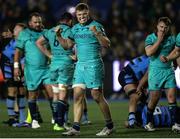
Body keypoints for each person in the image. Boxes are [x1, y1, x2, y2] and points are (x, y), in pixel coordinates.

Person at [55, 3, 114, 136]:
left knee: (96, 96)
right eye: (79, 15)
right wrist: (59, 36)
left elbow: (107, 44)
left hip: (94, 65)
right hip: (80, 66)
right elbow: (67, 45)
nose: (82, 17)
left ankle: (109, 126)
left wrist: (97, 33)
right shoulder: (74, 29)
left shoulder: (96, 26)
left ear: (88, 13)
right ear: (76, 15)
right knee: (77, 96)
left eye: (84, 14)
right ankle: (76, 128)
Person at [14, 12, 53, 129]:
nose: (38, 24)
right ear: (30, 23)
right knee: (32, 95)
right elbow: (18, 52)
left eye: (39, 22)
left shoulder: (46, 33)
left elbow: (53, 48)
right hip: (31, 70)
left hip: (47, 69)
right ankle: (34, 120)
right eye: (35, 22)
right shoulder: (24, 34)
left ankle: (56, 117)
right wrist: (16, 67)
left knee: (53, 94)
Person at [36, 12, 74, 131]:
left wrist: (49, 55)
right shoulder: (69, 30)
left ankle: (56, 119)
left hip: (53, 65)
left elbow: (38, 42)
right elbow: (68, 45)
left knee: (56, 94)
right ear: (70, 21)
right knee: (63, 94)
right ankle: (59, 123)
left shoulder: (51, 30)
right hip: (65, 64)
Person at [144, 16, 180, 132]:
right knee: (154, 99)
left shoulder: (172, 39)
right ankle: (149, 122)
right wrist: (159, 40)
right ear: (157, 26)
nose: (163, 29)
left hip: (169, 71)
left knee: (172, 97)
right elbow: (149, 52)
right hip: (155, 72)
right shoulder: (150, 38)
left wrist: (177, 64)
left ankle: (176, 124)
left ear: (168, 28)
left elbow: (177, 52)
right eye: (161, 27)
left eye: (165, 27)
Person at [0, 23, 27, 126]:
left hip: (18, 65)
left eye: (16, 30)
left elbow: (24, 55)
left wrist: (23, 68)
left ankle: (22, 118)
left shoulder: (23, 41)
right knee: (12, 90)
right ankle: (12, 118)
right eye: (14, 29)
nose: (13, 31)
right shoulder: (9, 39)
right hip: (7, 65)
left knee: (21, 90)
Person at [118, 55, 149, 128]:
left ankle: (134, 119)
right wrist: (140, 86)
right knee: (135, 96)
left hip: (137, 77)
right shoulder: (158, 59)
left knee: (145, 100)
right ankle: (132, 121)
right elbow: (148, 74)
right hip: (127, 74)